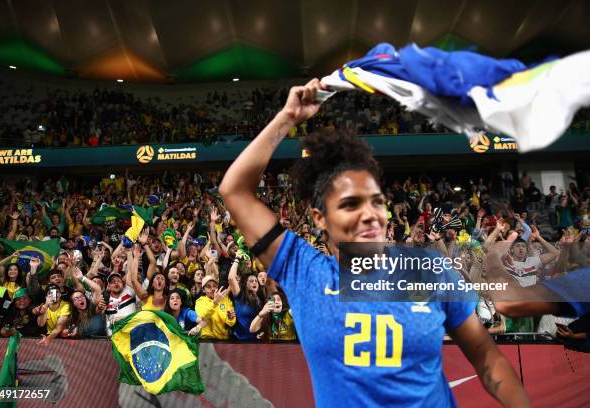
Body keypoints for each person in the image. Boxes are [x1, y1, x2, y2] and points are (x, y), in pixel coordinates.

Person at [219, 79, 528, 407]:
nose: (371, 215)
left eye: (377, 202)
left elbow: (488, 360)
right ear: (319, 218)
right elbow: (234, 190)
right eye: (350, 204)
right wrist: (288, 117)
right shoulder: (304, 271)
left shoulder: (430, 270)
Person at [228, 256, 261, 341]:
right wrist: (237, 259)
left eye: (256, 281)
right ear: (245, 284)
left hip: (255, 341)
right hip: (239, 340)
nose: (254, 282)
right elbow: (231, 278)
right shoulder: (240, 295)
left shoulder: (260, 299)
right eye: (251, 281)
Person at [194, 275, 235, 339]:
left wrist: (231, 318)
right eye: (208, 286)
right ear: (203, 290)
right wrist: (215, 303)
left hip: (223, 339)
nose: (212, 289)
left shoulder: (225, 299)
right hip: (207, 339)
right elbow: (203, 316)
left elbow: (231, 323)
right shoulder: (200, 301)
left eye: (214, 286)